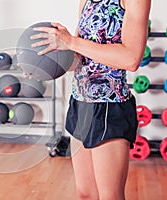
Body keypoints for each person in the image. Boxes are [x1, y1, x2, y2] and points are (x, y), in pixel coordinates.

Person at [31, 0, 151, 199]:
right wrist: (45, 66)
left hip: (109, 107)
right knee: (85, 194)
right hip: (80, 104)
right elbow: (80, 58)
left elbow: (131, 58)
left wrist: (70, 41)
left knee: (109, 196)